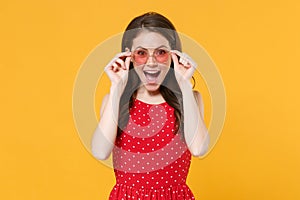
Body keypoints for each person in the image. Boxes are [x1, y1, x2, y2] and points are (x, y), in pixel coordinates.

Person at [91, 12, 210, 199]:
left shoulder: (191, 99)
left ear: (174, 56)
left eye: (161, 52)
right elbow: (99, 151)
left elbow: (199, 149)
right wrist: (116, 87)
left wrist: (185, 85)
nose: (152, 62)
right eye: (141, 53)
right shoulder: (114, 100)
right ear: (128, 56)